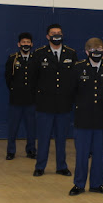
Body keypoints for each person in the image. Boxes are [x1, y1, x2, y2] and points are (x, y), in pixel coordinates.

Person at [69, 38, 103, 196]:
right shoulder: (78, 68)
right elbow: (71, 92)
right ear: (87, 52)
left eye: (100, 51)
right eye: (94, 52)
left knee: (99, 155)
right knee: (82, 155)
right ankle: (79, 184)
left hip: (102, 120)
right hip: (83, 119)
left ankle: (97, 184)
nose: (97, 54)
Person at [32, 24, 77, 177]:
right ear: (47, 36)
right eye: (53, 33)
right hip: (45, 104)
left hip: (64, 104)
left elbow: (74, 79)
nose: (56, 35)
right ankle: (40, 166)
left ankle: (61, 166)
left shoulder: (71, 53)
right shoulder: (39, 54)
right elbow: (33, 78)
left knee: (61, 139)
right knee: (43, 138)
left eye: (59, 33)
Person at [4, 32, 37, 160]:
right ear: (19, 44)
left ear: (32, 44)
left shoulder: (36, 59)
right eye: (23, 42)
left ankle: (31, 150)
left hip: (31, 99)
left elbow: (38, 78)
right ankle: (11, 151)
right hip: (16, 100)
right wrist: (14, 90)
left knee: (31, 128)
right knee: (13, 127)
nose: (26, 45)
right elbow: (8, 77)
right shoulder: (13, 58)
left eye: (28, 42)